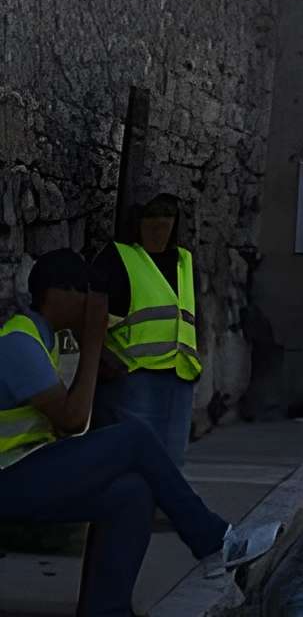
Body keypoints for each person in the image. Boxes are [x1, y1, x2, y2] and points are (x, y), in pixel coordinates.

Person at [0, 249, 276, 617]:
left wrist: (93, 349)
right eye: (87, 295)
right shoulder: (19, 341)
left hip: (28, 471)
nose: (93, 307)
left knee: (131, 493)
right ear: (60, 292)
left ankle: (106, 613)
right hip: (10, 477)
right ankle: (215, 543)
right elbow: (72, 420)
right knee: (133, 438)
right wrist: (94, 342)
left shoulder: (44, 339)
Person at [91, 194, 202, 465]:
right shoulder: (118, 257)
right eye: (151, 221)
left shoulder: (184, 260)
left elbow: (192, 316)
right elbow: (91, 318)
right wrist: (104, 358)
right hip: (130, 376)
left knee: (170, 467)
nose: (159, 229)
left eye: (167, 221)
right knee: (129, 463)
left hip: (179, 377)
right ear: (137, 223)